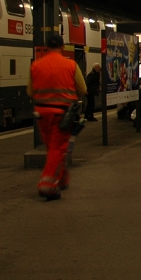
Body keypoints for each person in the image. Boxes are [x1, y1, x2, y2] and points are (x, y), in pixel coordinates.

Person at [28, 34, 86, 200]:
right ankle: (47, 184)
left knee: (51, 148)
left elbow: (30, 91)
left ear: (46, 47)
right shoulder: (70, 65)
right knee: (57, 148)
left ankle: (62, 178)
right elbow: (82, 89)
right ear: (62, 47)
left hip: (41, 114)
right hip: (62, 115)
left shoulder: (36, 65)